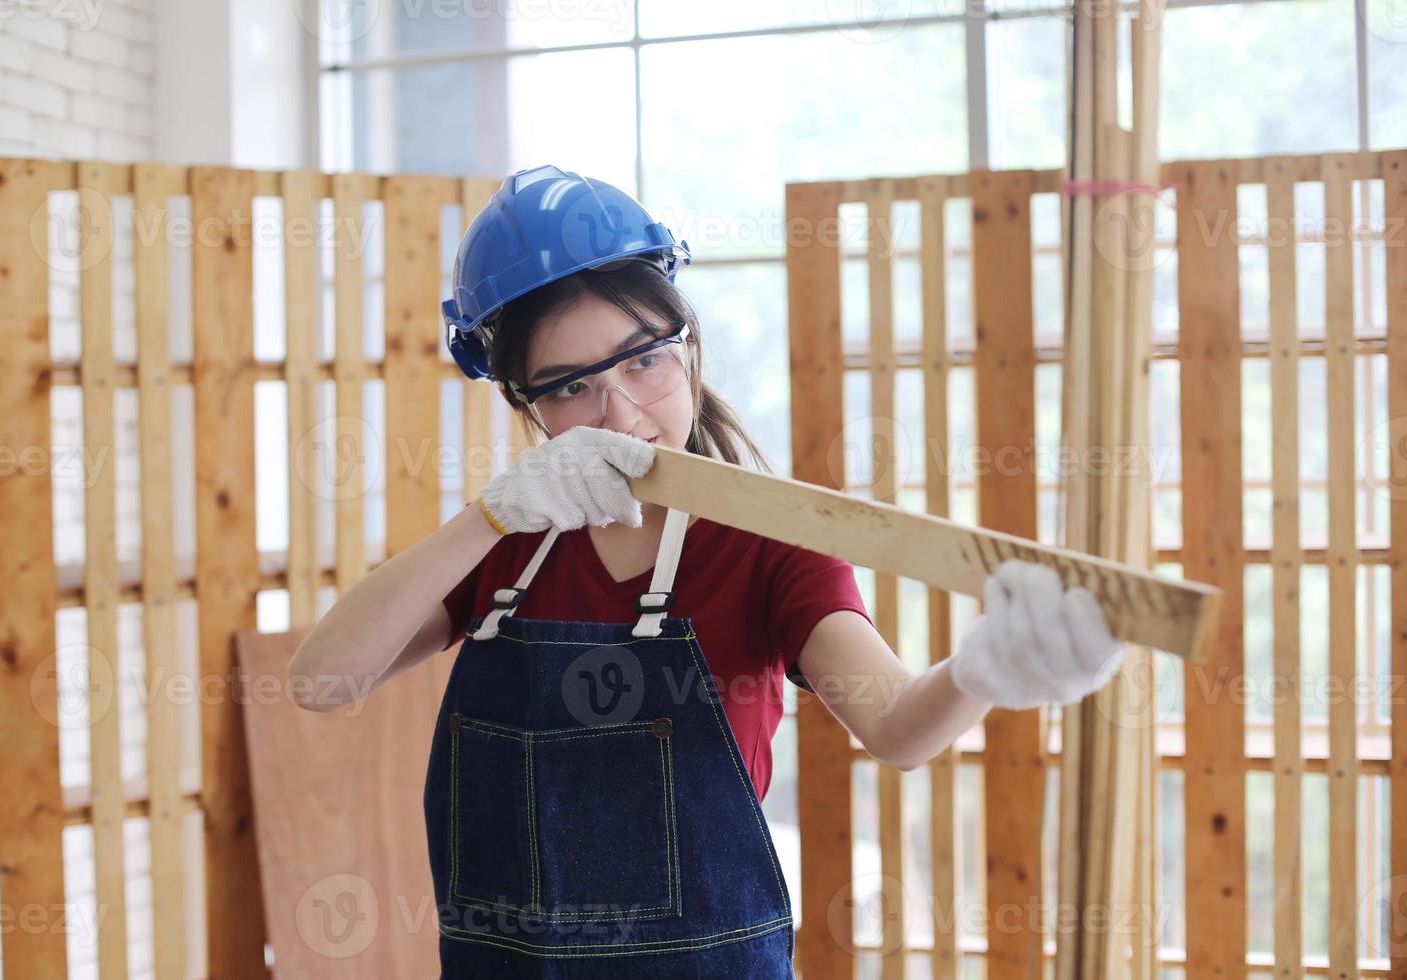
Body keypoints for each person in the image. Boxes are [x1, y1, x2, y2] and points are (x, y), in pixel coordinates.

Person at [289, 164, 1126, 977]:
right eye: (570, 388)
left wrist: (983, 670)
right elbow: (321, 683)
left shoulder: (771, 540)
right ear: (524, 404)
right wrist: (487, 518)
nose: (622, 414)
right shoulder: (511, 544)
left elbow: (898, 727)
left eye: (642, 361)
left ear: (688, 348)